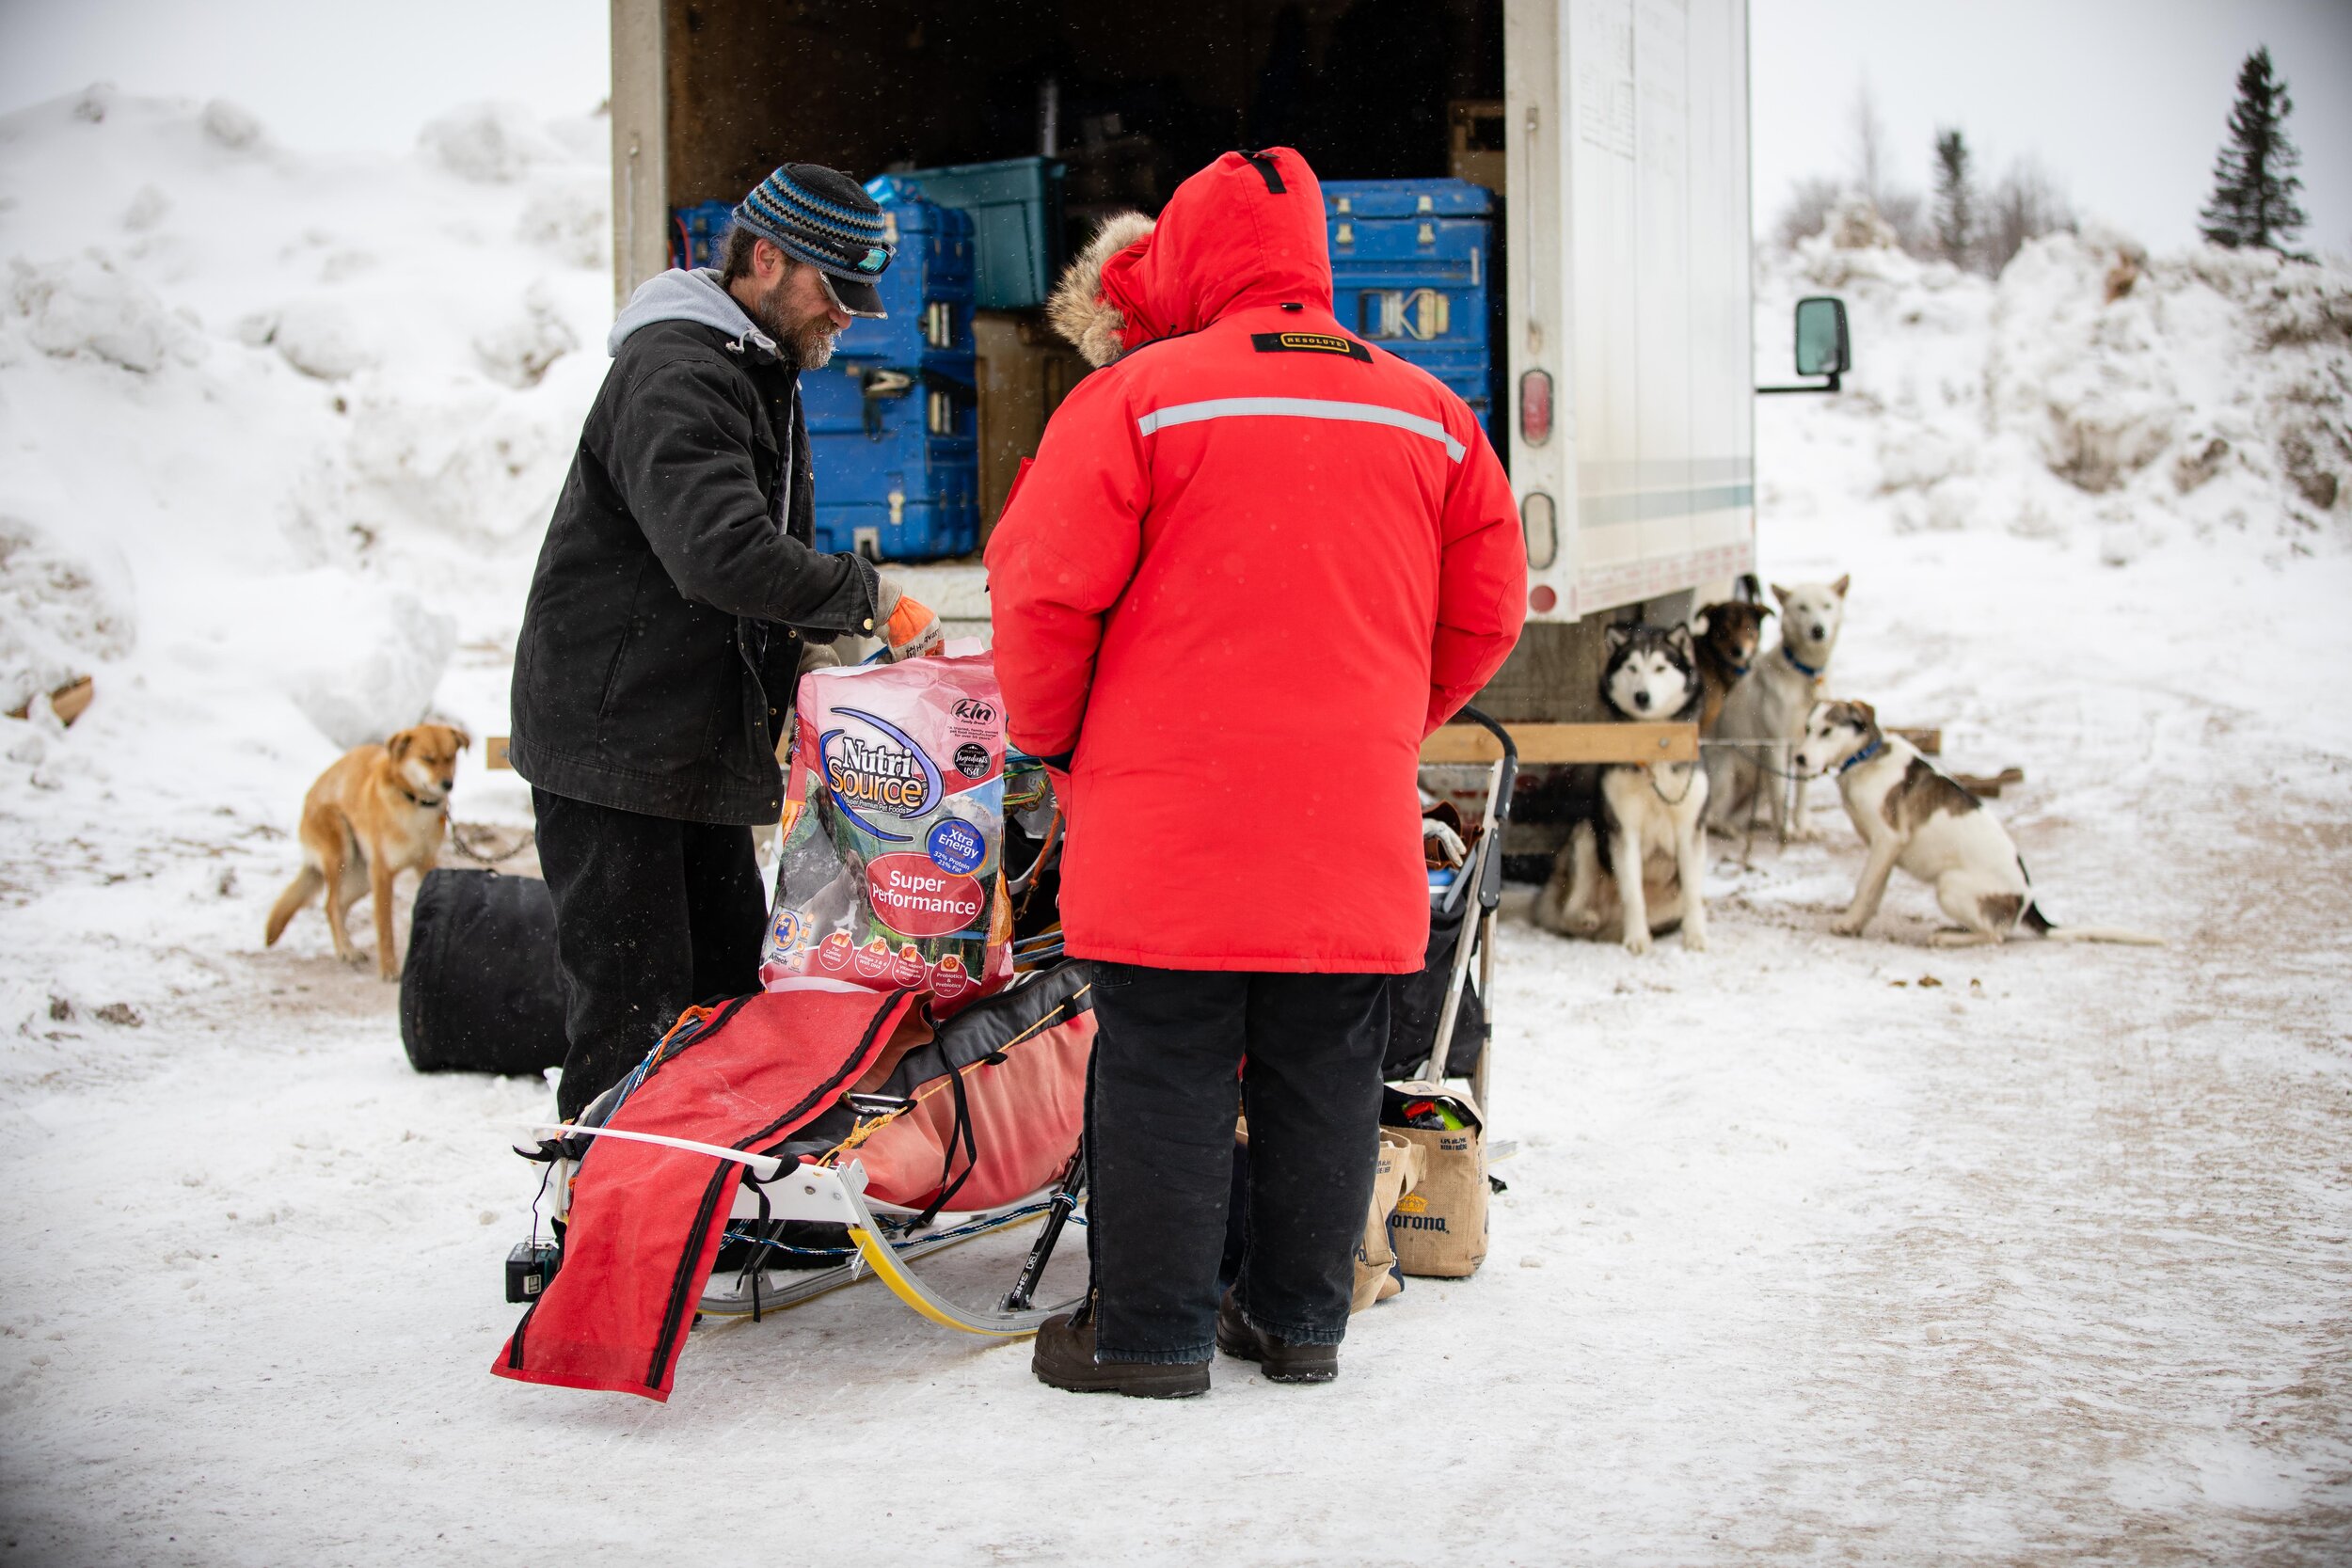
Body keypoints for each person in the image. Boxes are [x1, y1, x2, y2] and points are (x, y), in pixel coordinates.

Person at [987, 147, 1526, 1397]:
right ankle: (1297, 1322)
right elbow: (1488, 612)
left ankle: (1148, 1332)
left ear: (1188, 255)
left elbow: (1044, 594)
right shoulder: (1431, 411)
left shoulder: (1140, 397)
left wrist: (1064, 739)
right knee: (1327, 1062)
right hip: (1347, 819)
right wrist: (1381, 721)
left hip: (1167, 815)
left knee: (1166, 1054)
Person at [509, 163, 942, 1123]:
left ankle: (707, 1211)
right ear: (765, 257)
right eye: (834, 291)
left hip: (682, 744)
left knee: (720, 1004)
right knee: (633, 1012)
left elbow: (733, 566)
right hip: (613, 745)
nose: (848, 317)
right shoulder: (678, 370)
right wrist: (864, 596)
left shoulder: (753, 364)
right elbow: (719, 552)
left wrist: (799, 661)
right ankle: (604, 1229)